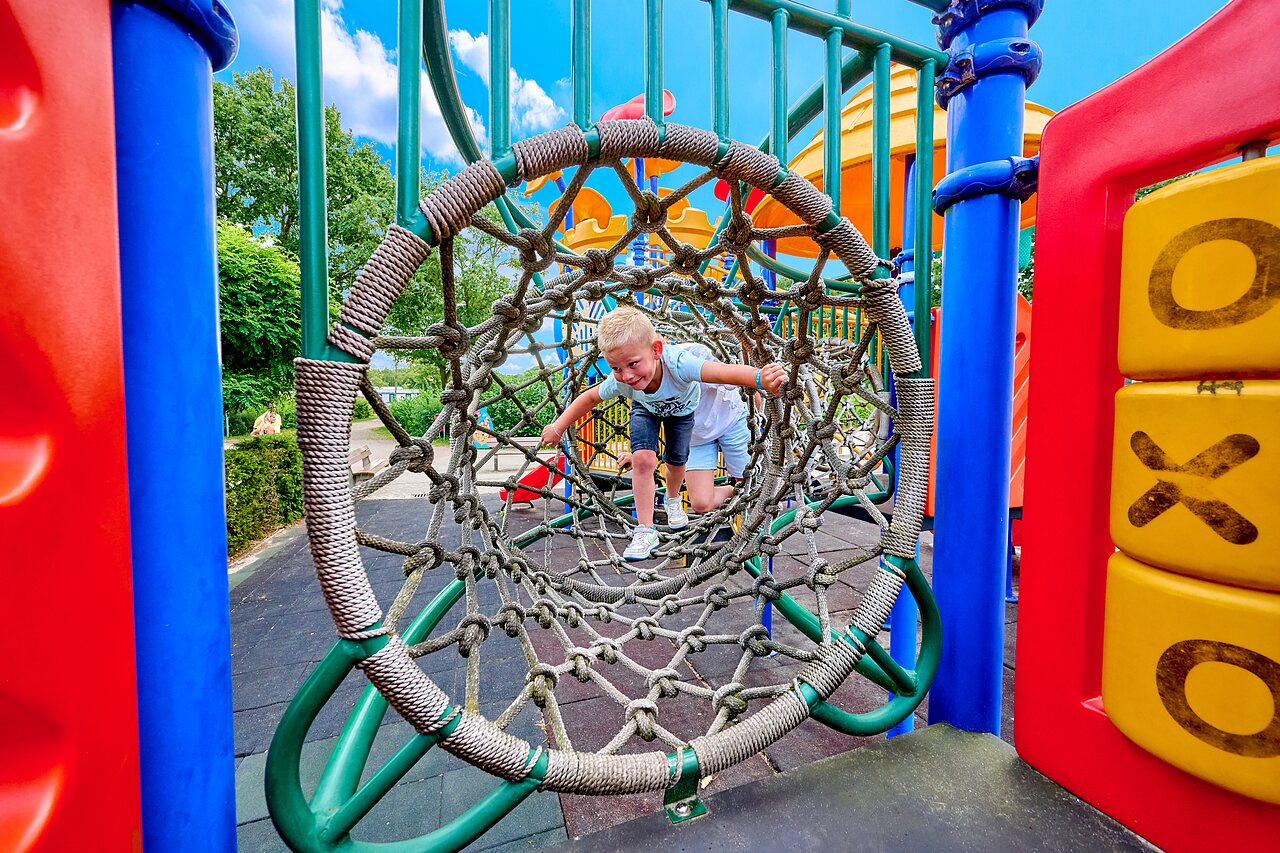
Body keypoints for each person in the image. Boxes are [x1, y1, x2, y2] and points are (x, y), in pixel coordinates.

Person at [540, 306, 784, 561]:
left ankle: (739, 493)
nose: (627, 376)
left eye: (633, 364)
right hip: (694, 435)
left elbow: (725, 373)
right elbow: (590, 398)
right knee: (698, 502)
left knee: (748, 482)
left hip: (728, 421)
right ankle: (646, 529)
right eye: (616, 368)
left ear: (657, 350)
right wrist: (558, 427)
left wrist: (759, 379)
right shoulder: (623, 380)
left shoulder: (681, 363)